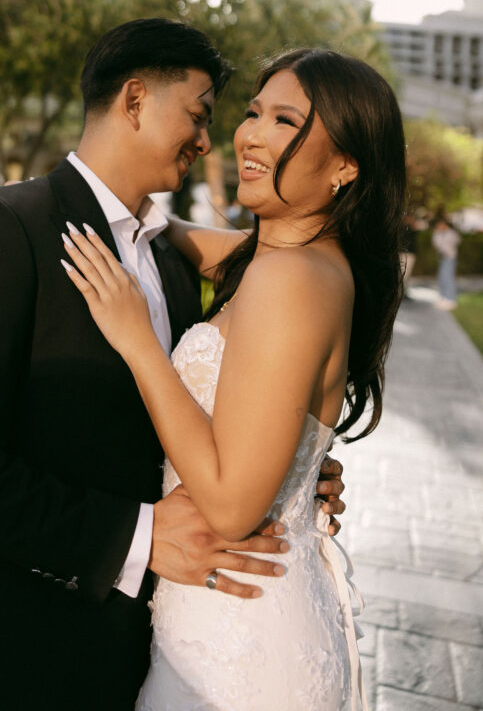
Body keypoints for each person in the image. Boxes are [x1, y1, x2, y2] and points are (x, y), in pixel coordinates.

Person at [0, 20, 347, 711]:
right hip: (20, 656)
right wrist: (137, 539)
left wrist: (288, 456)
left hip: (151, 655)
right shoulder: (1, 229)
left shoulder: (172, 261)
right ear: (134, 101)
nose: (208, 140)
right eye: (198, 115)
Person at [63, 47, 406, 710]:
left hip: (239, 644)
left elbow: (229, 507)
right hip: (227, 614)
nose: (247, 134)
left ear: (343, 167)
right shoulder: (287, 260)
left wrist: (139, 344)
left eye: (284, 121)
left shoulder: (290, 279)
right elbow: (177, 235)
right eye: (251, 112)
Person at [432, 209, 461, 310]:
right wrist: (437, 234)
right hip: (442, 258)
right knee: (442, 278)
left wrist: (439, 235)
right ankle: (444, 297)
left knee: (448, 278)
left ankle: (451, 299)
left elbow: (447, 245)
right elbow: (436, 244)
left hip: (450, 258)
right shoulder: (439, 233)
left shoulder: (451, 233)